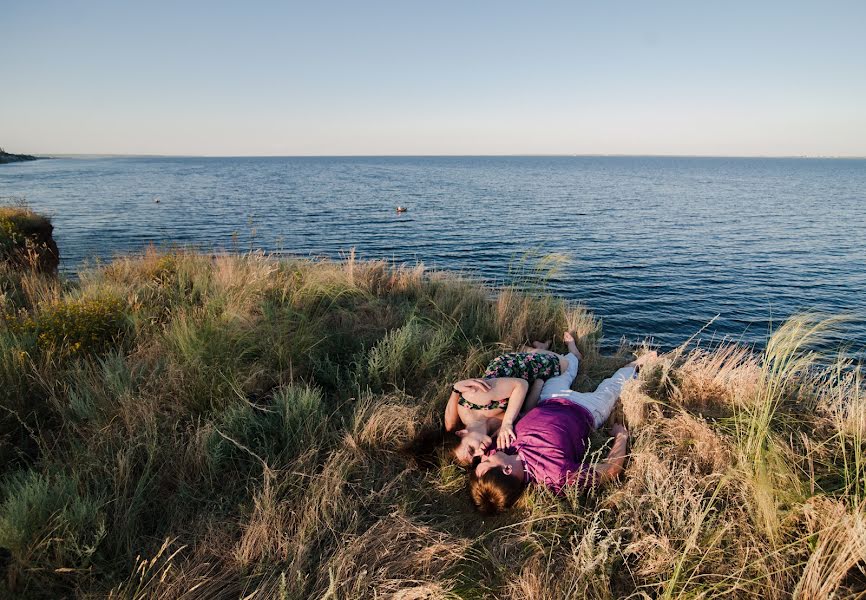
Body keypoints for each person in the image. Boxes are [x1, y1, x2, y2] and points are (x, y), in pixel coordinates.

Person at [468, 350, 658, 515]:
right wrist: (621, 437)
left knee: (564, 368)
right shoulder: (555, 475)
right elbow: (610, 471)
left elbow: (476, 441)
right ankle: (635, 365)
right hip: (588, 410)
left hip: (550, 399)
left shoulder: (500, 448)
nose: (485, 457)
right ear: (506, 469)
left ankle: (574, 354)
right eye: (486, 462)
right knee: (614, 386)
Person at [445, 334, 582, 464]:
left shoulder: (473, 399)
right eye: (475, 457)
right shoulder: (491, 434)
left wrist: (507, 423)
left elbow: (520, 384)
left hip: (512, 368)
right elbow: (524, 412)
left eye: (471, 449)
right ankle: (537, 350)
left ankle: (565, 351)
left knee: (565, 364)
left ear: (462, 433)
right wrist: (539, 383)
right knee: (548, 374)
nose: (479, 453)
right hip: (523, 386)